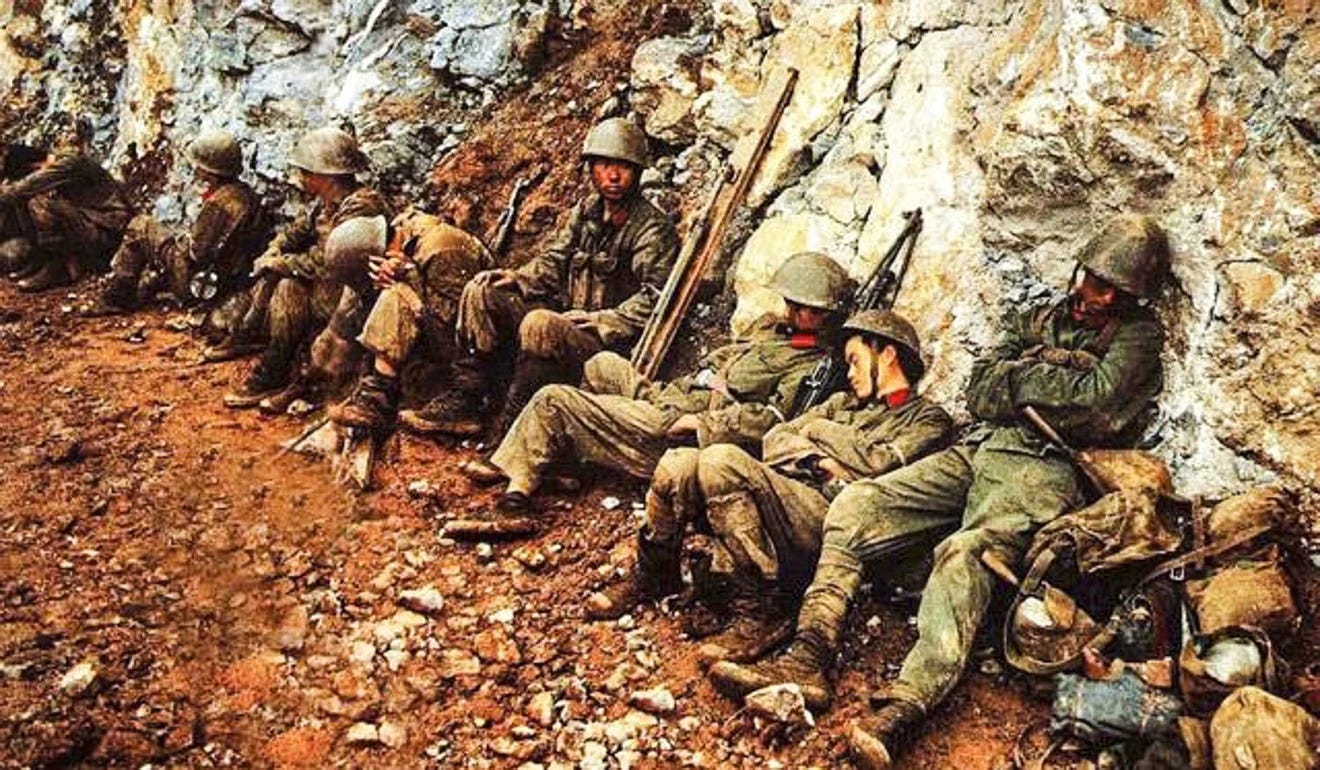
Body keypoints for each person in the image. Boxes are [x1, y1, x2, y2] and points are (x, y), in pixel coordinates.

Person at [706, 215, 1171, 770]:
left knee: (967, 552)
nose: (1098, 296)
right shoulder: (1041, 316)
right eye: (1094, 280)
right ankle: (810, 653)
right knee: (860, 502)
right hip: (979, 447)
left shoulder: (1139, 337)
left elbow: (1098, 405)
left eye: (1114, 291)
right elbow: (980, 389)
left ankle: (906, 705)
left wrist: (1023, 373)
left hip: (1044, 466)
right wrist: (1053, 376)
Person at [585, 309, 954, 668]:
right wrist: (819, 461)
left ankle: (762, 610)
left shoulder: (928, 419)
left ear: (887, 355)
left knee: (721, 461)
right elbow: (776, 438)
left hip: (834, 521)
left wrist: (816, 431)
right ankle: (654, 574)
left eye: (855, 361)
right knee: (677, 464)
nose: (850, 373)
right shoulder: (842, 403)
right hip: (791, 496)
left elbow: (879, 463)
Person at [447, 251, 854, 540]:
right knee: (601, 364)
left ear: (827, 317)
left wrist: (704, 422)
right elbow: (724, 356)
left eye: (806, 309)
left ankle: (517, 494)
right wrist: (707, 377)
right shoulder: (772, 332)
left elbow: (773, 423)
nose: (792, 313)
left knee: (556, 399)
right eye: (792, 304)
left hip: (681, 426)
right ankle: (565, 458)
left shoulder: (815, 367)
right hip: (674, 395)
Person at [397, 117, 679, 438]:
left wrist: (603, 319)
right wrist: (518, 277)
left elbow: (657, 298)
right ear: (591, 169)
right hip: (570, 324)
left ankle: (511, 432)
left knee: (539, 324)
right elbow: (554, 259)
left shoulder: (651, 229)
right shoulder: (586, 211)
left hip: (606, 346)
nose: (613, 175)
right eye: (604, 165)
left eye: (623, 166)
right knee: (481, 289)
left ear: (638, 171)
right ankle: (466, 400)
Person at [221, 126, 389, 410]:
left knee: (287, 285)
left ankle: (287, 374)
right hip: (328, 290)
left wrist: (282, 263)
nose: (301, 178)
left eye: (307, 172)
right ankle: (272, 362)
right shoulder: (323, 204)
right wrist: (275, 251)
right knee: (284, 282)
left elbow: (327, 259)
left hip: (352, 298)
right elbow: (293, 233)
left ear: (326, 175)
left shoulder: (361, 207)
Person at [325, 209, 494, 431]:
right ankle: (375, 393)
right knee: (393, 292)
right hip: (447, 338)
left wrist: (407, 277)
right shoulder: (403, 236)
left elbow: (464, 323)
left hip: (478, 357)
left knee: (395, 295)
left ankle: (384, 401)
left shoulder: (440, 246)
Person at [89, 130, 269, 328]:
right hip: (226, 284)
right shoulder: (247, 196)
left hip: (198, 284)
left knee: (141, 226)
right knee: (162, 241)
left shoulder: (218, 204)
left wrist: (179, 239)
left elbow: (196, 254)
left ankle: (117, 298)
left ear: (211, 172)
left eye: (200, 166)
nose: (197, 170)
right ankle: (149, 284)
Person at [0, 137, 133, 292]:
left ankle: (59, 268)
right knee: (25, 198)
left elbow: (24, 187)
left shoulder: (69, 163)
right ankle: (42, 259)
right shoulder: (59, 164)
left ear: (36, 165)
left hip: (109, 232)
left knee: (39, 200)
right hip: (91, 223)